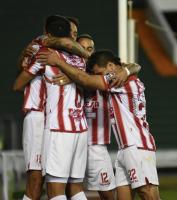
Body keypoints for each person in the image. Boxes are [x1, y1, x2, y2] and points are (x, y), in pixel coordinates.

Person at [36, 49, 160, 200]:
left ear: (110, 66)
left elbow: (86, 80)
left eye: (99, 73)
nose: (98, 77)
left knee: (148, 193)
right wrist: (127, 69)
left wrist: (58, 62)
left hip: (137, 145)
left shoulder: (118, 79)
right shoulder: (124, 74)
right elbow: (131, 66)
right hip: (126, 148)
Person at [14, 15, 88, 200]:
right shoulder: (42, 48)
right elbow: (20, 75)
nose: (73, 36)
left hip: (56, 122)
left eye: (75, 33)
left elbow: (18, 81)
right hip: (39, 118)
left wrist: (71, 75)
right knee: (37, 180)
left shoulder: (64, 55)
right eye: (71, 32)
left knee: (55, 186)